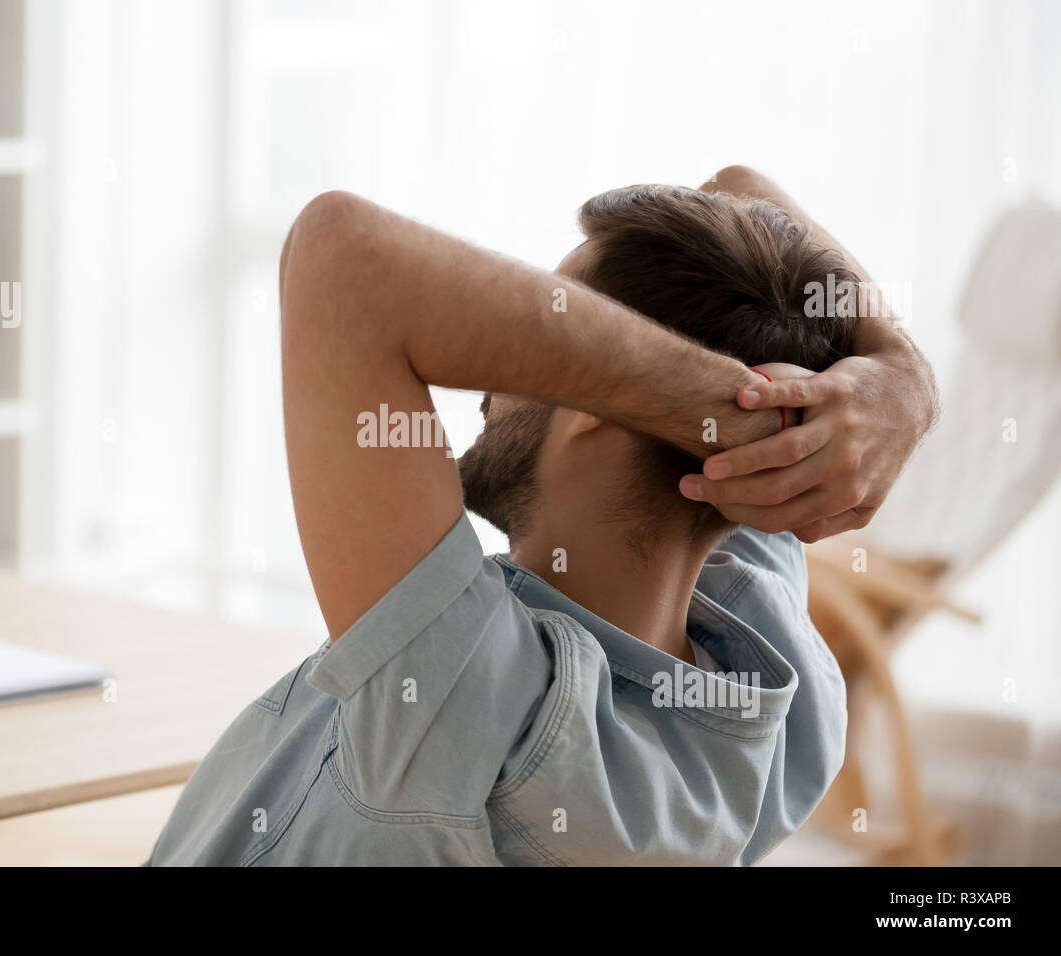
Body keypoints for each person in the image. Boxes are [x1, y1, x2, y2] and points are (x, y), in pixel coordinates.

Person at [145, 166, 937, 865]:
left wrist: (698, 403)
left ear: (603, 406)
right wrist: (904, 376)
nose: (488, 381)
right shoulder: (767, 666)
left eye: (555, 343)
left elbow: (340, 252)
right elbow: (741, 188)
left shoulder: (479, 708)